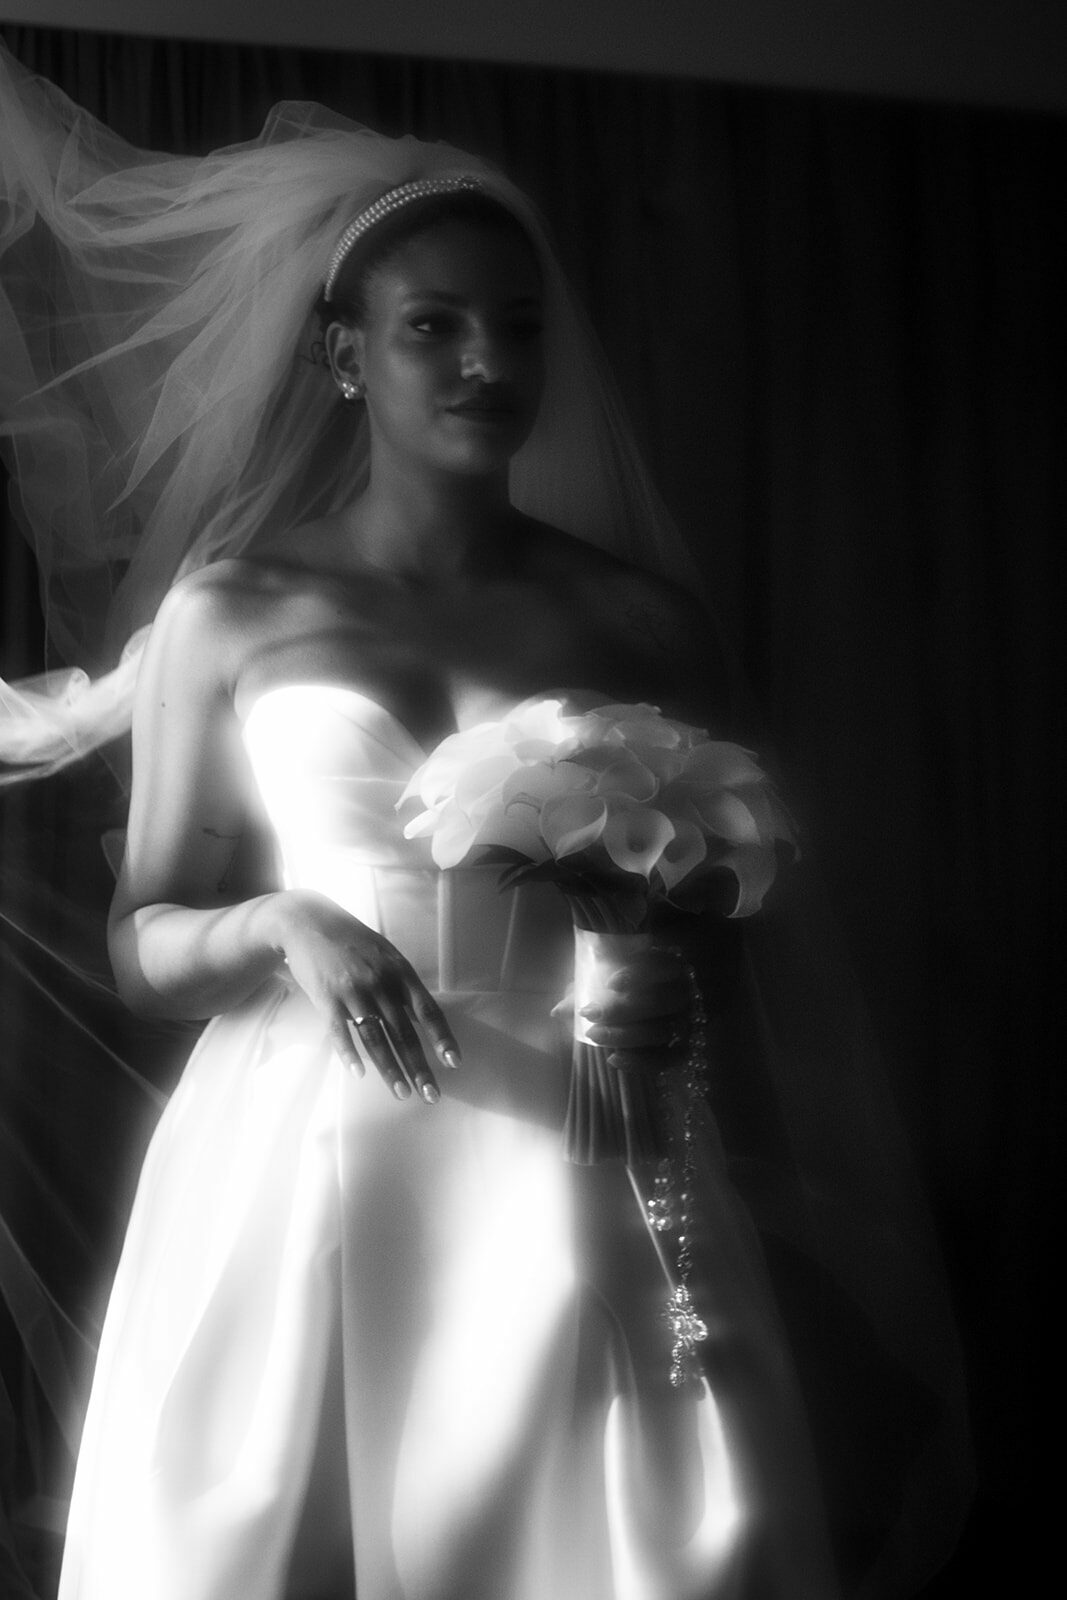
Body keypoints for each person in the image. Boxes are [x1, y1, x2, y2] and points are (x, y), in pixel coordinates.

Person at [1, 40, 970, 1600]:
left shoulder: (638, 622)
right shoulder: (232, 611)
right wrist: (283, 923)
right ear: (344, 358)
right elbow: (144, 943)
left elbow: (720, 930)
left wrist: (666, 988)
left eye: (518, 327)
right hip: (307, 1142)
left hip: (584, 1137)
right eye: (432, 326)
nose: (484, 364)